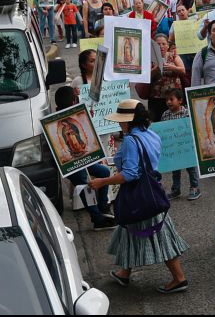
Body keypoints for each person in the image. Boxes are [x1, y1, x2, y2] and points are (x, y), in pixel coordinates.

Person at [88, 99, 189, 294]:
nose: (119, 124)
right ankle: (124, 273)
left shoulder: (130, 140)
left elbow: (130, 174)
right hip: (150, 189)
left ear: (129, 121)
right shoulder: (150, 134)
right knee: (128, 230)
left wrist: (102, 182)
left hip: (140, 194)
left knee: (159, 236)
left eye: (121, 120)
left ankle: (179, 278)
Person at [54, 86, 117, 231]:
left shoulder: (75, 116)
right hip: (70, 163)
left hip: (83, 157)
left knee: (104, 172)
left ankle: (103, 206)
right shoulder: (54, 123)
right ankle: (97, 219)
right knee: (83, 184)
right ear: (73, 101)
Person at [162, 88, 201, 201]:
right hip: (174, 148)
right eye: (167, 100)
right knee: (175, 169)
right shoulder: (165, 115)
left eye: (171, 99)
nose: (168, 102)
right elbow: (163, 130)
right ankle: (176, 189)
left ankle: (194, 187)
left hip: (187, 147)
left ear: (180, 100)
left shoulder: (187, 113)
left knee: (191, 168)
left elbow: (194, 127)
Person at [148, 33, 186, 122]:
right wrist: (156, 69)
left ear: (168, 45)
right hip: (157, 97)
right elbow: (145, 76)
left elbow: (183, 70)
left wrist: (173, 68)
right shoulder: (150, 58)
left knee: (175, 120)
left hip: (174, 97)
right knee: (157, 121)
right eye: (158, 44)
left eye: (163, 44)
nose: (161, 46)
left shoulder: (173, 56)